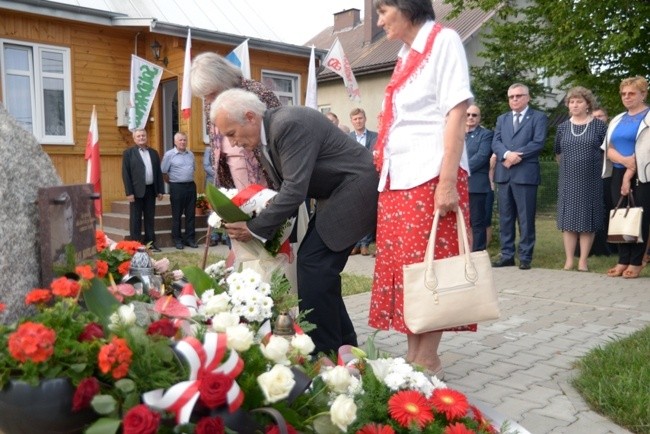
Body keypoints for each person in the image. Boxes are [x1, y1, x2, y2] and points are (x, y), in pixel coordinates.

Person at [211, 88, 379, 355]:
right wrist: (254, 214)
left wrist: (254, 228)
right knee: (317, 268)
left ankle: (324, 350)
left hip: (355, 189)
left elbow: (294, 189)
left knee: (314, 266)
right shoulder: (266, 136)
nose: (233, 142)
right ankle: (343, 343)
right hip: (337, 193)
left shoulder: (287, 125)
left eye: (232, 134)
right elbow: (282, 190)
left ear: (250, 117)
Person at [368, 0, 475, 378]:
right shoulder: (404, 54)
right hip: (400, 176)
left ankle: (428, 359)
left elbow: (456, 112)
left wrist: (447, 181)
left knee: (431, 267)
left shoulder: (443, 41)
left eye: (383, 11)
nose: (379, 21)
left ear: (407, 6)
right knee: (407, 268)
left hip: (432, 172)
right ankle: (414, 357)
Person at [190, 52, 280, 191]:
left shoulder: (258, 93)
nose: (208, 100)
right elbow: (216, 145)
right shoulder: (211, 103)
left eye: (211, 93)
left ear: (223, 80)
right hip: (231, 181)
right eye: (205, 96)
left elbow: (278, 133)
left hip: (266, 180)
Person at [491, 83, 548, 270]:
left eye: (518, 96)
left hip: (525, 175)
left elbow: (538, 142)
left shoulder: (538, 117)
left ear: (528, 97)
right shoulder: (502, 119)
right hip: (504, 174)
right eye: (511, 97)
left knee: (525, 217)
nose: (514, 99)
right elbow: (496, 141)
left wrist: (516, 156)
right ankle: (507, 255)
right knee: (506, 217)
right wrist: (507, 155)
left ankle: (525, 256)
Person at [554, 87, 608, 271]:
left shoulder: (599, 126)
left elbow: (606, 151)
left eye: (579, 101)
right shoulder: (562, 127)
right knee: (568, 221)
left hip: (591, 180)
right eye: (571, 102)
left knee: (587, 221)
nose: (574, 105)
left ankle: (583, 260)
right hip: (568, 180)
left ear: (588, 104)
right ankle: (569, 260)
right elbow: (558, 153)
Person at [602, 76, 650, 279]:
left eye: (631, 93)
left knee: (640, 216)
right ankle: (623, 259)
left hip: (643, 172)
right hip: (619, 169)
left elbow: (646, 149)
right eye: (624, 94)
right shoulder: (617, 119)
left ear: (643, 94)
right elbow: (608, 148)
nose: (627, 97)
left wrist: (629, 172)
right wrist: (622, 163)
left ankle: (637, 261)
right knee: (621, 214)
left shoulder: (648, 116)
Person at [122, 128, 164, 252]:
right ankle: (135, 244)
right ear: (134, 139)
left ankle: (150, 242)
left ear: (147, 137)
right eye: (138, 136)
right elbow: (126, 174)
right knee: (135, 219)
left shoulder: (154, 153)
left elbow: (158, 173)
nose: (141, 138)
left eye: (143, 135)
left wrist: (160, 190)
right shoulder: (128, 153)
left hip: (151, 190)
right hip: (136, 192)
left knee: (149, 218)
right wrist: (129, 192)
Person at [349, 107, 378, 256]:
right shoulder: (348, 138)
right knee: (354, 212)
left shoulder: (375, 136)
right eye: (355, 119)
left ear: (365, 119)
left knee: (367, 211)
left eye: (360, 118)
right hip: (353, 179)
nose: (358, 121)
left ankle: (365, 244)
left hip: (370, 178)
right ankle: (355, 245)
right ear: (351, 121)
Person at [161, 132, 198, 250]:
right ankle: (177, 239)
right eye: (180, 140)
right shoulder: (169, 155)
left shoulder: (190, 154)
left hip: (190, 186)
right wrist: (172, 183)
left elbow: (193, 169)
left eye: (184, 140)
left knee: (191, 214)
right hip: (177, 187)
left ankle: (190, 239)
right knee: (177, 214)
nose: (183, 142)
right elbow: (164, 172)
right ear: (175, 142)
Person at [465, 104, 494, 251]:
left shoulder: (486, 134)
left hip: (476, 185)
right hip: (457, 185)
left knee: (477, 223)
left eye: (474, 115)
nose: (470, 117)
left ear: (479, 118)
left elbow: (481, 157)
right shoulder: (455, 134)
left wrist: (460, 169)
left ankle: (478, 253)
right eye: (468, 114)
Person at [203, 143, 228, 246]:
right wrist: (218, 173)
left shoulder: (226, 147)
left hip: (225, 183)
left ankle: (225, 236)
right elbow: (206, 166)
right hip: (212, 182)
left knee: (225, 209)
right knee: (212, 210)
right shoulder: (209, 149)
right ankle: (213, 236)